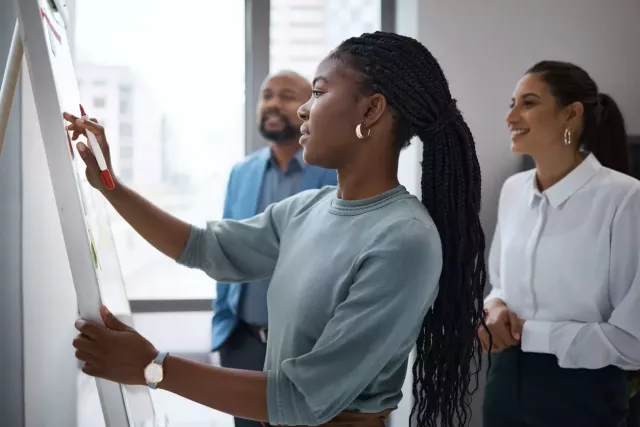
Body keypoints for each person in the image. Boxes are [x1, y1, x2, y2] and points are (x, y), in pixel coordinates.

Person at [66, 31, 488, 427]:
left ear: (371, 110)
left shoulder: (405, 239)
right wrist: (110, 186)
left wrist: (151, 366)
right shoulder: (307, 208)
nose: (305, 107)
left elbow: (303, 398)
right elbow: (203, 247)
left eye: (319, 93)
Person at [479, 60, 640, 427]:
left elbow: (634, 342)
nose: (511, 117)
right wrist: (495, 310)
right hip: (504, 385)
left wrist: (529, 334)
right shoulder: (513, 191)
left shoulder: (626, 199)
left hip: (583, 396)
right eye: (512, 103)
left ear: (571, 114)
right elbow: (500, 283)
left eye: (529, 103)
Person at [213, 69, 337, 427]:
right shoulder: (241, 173)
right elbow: (224, 248)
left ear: (309, 108)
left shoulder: (335, 171)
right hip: (244, 343)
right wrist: (224, 326)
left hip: (313, 348)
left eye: (286, 95)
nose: (272, 103)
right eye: (267, 94)